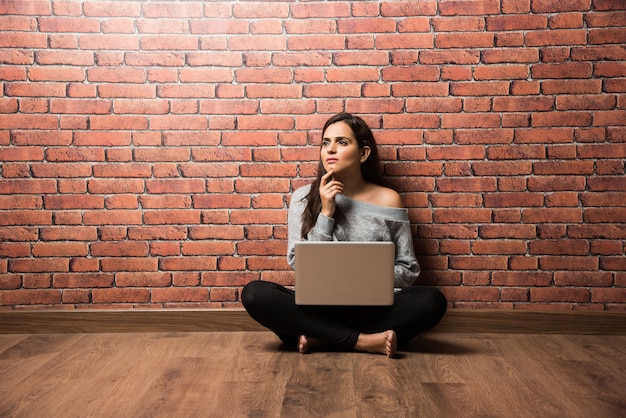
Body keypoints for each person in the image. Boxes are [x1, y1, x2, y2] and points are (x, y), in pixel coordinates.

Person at [242, 113, 447, 357]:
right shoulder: (303, 198)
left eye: (342, 142)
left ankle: (323, 337)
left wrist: (360, 279)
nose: (331, 150)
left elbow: (408, 269)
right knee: (255, 294)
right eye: (325, 143)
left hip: (372, 309)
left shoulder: (389, 199)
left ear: (363, 153)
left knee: (432, 302)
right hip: (316, 309)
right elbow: (300, 264)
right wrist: (326, 213)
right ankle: (362, 341)